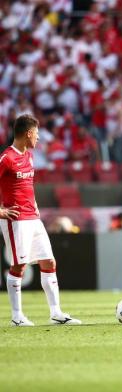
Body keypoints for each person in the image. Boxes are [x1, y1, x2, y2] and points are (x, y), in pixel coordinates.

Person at [0, 114, 81, 326]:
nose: (38, 138)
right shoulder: (6, 158)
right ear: (27, 134)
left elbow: (27, 188)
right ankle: (17, 317)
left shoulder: (29, 156)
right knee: (19, 265)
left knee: (49, 261)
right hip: (16, 219)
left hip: (33, 217)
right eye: (36, 134)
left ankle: (56, 313)